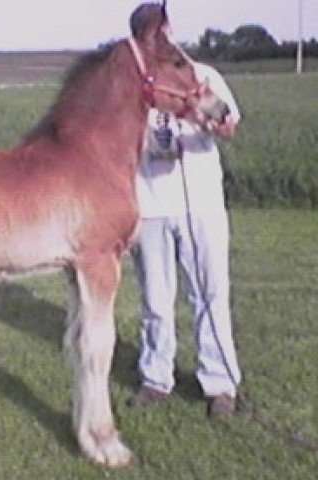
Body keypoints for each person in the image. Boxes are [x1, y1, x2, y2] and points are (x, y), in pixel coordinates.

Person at [128, 5, 242, 419]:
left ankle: (220, 385)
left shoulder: (204, 76)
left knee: (210, 294)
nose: (158, 38)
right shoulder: (134, 86)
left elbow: (229, 123)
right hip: (150, 205)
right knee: (155, 300)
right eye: (148, 33)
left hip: (201, 206)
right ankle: (156, 378)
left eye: (162, 30)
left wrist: (210, 120)